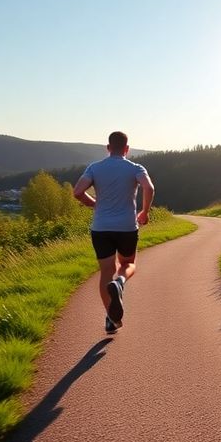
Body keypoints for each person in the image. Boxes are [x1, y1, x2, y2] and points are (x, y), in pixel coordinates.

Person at [73, 131, 155, 333]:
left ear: (108, 148)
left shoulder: (94, 168)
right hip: (127, 227)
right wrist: (144, 212)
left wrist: (94, 204)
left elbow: (77, 192)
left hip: (101, 228)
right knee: (128, 264)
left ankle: (111, 318)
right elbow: (149, 187)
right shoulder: (135, 168)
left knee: (106, 271)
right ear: (127, 149)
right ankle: (120, 282)